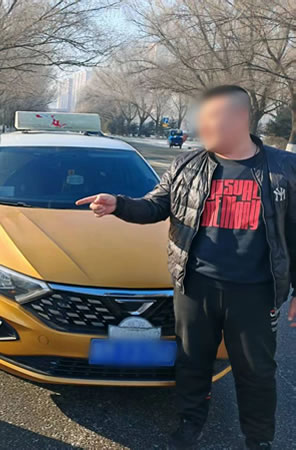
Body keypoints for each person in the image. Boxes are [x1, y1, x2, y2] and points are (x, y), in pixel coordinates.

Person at [76, 85, 296, 450]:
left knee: (256, 371)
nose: (202, 127)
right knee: (193, 362)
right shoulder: (186, 165)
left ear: (241, 119)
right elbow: (154, 206)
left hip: (255, 292)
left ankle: (258, 439)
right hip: (195, 287)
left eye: (212, 119)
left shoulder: (285, 169)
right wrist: (119, 204)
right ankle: (190, 423)